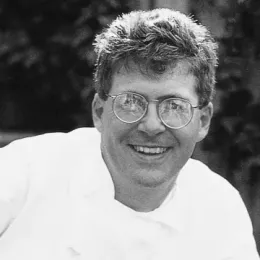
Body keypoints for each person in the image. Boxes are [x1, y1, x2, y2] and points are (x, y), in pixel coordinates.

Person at [0, 8, 259, 260]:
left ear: (203, 120)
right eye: (131, 102)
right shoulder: (24, 174)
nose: (152, 126)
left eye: (174, 106)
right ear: (100, 112)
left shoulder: (219, 209)